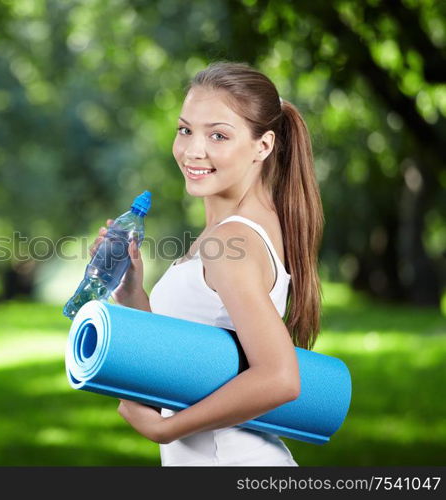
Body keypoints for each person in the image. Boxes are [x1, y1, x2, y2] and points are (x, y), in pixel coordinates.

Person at [88, 61, 323, 466]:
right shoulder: (239, 230)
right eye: (185, 130)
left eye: (218, 135)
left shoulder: (231, 240)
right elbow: (189, 357)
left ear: (263, 146)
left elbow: (280, 378)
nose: (193, 150)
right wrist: (133, 296)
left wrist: (166, 428)